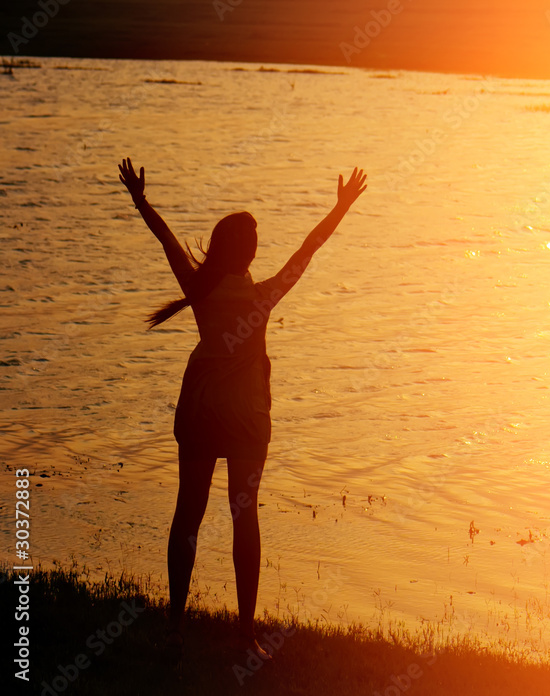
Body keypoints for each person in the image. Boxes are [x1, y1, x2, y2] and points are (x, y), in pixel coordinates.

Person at [117, 157, 367, 660]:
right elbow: (308, 250)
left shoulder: (200, 289)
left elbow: (167, 241)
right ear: (250, 254)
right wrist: (340, 208)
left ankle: (175, 626)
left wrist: (141, 200)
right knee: (243, 516)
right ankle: (246, 633)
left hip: (201, 413)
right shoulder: (264, 295)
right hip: (246, 419)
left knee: (187, 514)